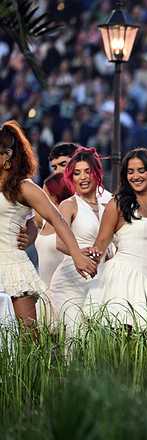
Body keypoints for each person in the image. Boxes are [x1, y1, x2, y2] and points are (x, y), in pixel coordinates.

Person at [0, 122, 95, 327]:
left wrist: (77, 255)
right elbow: (31, 224)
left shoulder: (24, 187)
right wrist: (31, 231)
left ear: (7, 155)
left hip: (11, 266)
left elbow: (57, 221)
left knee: (28, 341)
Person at [85, 148, 147, 329]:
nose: (135, 176)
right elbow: (100, 245)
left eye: (141, 170)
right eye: (130, 172)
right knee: (124, 341)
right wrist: (84, 259)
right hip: (124, 280)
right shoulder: (117, 204)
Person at [50, 147, 112, 334]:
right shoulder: (68, 205)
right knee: (75, 340)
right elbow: (60, 243)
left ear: (97, 173)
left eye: (88, 171)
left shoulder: (110, 204)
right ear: (71, 177)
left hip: (101, 280)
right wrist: (79, 253)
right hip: (70, 281)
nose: (83, 177)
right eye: (77, 173)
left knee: (97, 344)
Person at [34, 173, 73, 324]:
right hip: (44, 292)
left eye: (45, 193)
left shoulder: (69, 220)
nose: (41, 197)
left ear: (56, 194)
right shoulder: (43, 220)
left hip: (65, 291)